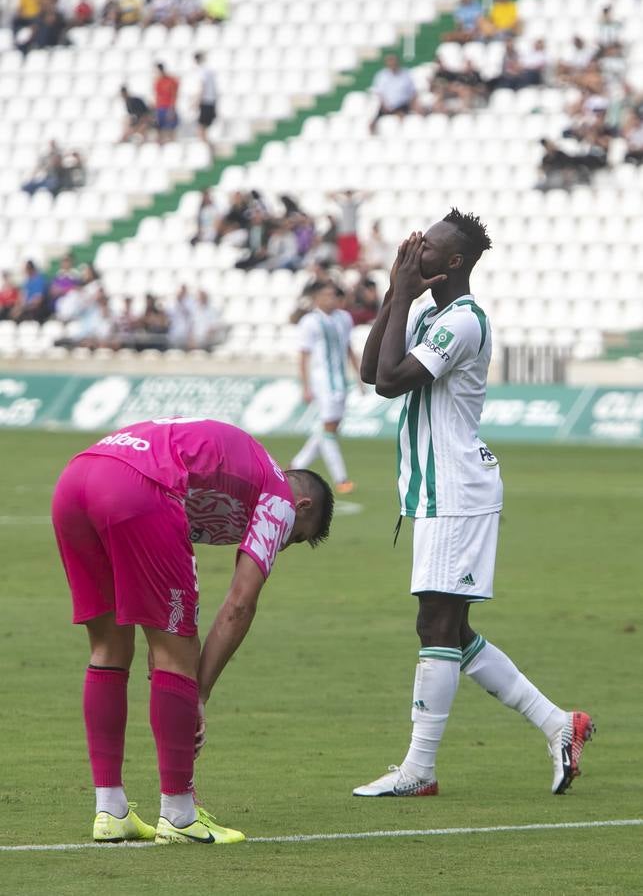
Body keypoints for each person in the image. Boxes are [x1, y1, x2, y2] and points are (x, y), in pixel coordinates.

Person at [354, 209, 593, 798]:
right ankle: (559, 724)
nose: (416, 251)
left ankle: (419, 770)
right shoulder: (432, 314)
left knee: (436, 624)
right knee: (447, 627)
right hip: (440, 492)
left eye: (428, 247)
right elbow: (368, 369)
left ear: (454, 262)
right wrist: (395, 294)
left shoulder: (461, 321)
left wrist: (404, 295)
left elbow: (390, 382)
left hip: (457, 491)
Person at [52, 418, 334, 844]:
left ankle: (111, 811)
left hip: (78, 477)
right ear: (304, 507)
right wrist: (196, 692)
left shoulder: (235, 473)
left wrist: (177, 681)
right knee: (177, 652)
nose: (282, 544)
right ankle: (180, 816)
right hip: (139, 487)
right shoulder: (279, 495)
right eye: (294, 539)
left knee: (109, 648)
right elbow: (239, 605)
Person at [290, 281, 361, 494]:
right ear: (316, 299)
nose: (332, 298)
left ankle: (295, 467)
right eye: (326, 295)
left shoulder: (344, 318)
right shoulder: (310, 322)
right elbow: (304, 355)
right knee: (329, 429)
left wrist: (357, 375)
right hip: (323, 382)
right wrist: (306, 386)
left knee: (329, 430)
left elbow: (348, 347)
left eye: (333, 294)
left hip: (340, 381)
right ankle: (341, 479)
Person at [370, 54, 417, 134]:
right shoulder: (381, 75)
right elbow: (379, 93)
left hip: (402, 105)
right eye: (389, 61)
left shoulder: (406, 74)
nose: (392, 63)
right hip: (386, 106)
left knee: (402, 117)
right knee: (372, 124)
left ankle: (401, 134)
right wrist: (384, 105)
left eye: (393, 61)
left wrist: (412, 104)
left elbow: (413, 92)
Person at [194, 52, 217, 146]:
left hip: (205, 102)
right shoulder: (209, 71)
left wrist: (196, 101)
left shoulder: (202, 71)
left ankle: (207, 150)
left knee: (201, 129)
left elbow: (202, 87)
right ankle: (208, 149)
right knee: (204, 129)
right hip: (211, 102)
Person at [154, 63, 180, 145]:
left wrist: (172, 108)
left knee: (170, 129)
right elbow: (157, 96)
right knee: (160, 129)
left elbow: (174, 95)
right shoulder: (157, 81)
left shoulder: (171, 80)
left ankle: (172, 146)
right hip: (160, 107)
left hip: (168, 107)